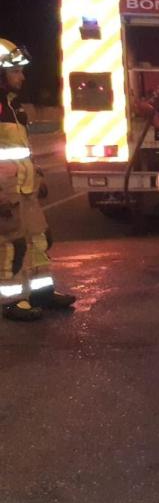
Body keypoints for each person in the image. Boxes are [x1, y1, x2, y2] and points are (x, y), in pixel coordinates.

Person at [0, 38, 76, 321]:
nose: (22, 77)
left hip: (24, 191)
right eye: (15, 71)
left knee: (39, 241)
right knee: (11, 247)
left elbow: (20, 151)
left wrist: (38, 175)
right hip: (7, 194)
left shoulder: (13, 108)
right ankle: (12, 301)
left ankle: (41, 293)